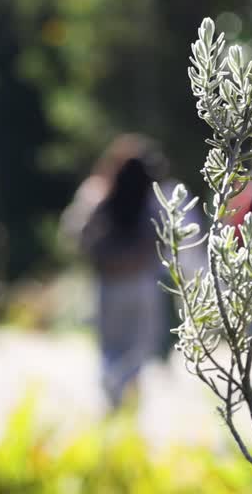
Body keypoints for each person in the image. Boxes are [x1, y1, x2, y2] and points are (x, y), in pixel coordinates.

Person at [61, 134, 172, 408]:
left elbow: (75, 234)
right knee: (138, 348)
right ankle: (124, 398)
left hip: (110, 284)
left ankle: (114, 396)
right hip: (142, 284)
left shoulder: (99, 197)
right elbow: (168, 240)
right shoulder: (153, 202)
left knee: (111, 348)